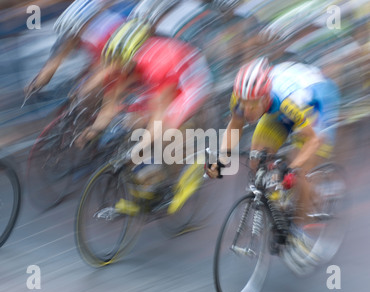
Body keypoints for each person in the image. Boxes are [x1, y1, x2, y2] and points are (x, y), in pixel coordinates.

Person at [206, 57, 340, 271]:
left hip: (315, 102)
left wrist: (293, 168)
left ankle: (297, 233)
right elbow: (235, 126)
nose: (247, 110)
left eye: (252, 104)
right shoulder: (242, 97)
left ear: (265, 96)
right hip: (279, 110)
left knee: (299, 171)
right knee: (256, 158)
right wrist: (220, 160)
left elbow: (314, 140)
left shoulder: (290, 100)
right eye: (244, 103)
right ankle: (278, 206)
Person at [75, 18, 212, 214]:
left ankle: (186, 171)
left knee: (167, 129)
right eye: (116, 66)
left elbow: (158, 116)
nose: (118, 72)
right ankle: (149, 182)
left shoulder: (158, 64)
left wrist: (141, 147)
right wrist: (92, 131)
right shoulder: (119, 66)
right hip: (156, 81)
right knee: (131, 120)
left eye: (123, 67)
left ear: (133, 59)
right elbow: (109, 107)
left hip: (189, 80)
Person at [24, 0, 137, 97]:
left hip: (114, 45)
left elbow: (112, 64)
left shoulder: (111, 26)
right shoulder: (78, 32)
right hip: (102, 42)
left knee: (95, 87)